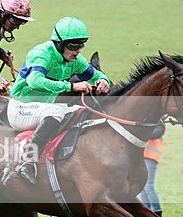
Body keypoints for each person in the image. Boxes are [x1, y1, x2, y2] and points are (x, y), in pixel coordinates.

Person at [6, 16, 112, 183]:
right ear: (59, 43)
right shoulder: (41, 54)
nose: (78, 51)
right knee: (56, 110)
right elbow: (35, 81)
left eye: (81, 45)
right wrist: (71, 87)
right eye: (73, 46)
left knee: (81, 112)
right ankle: (27, 161)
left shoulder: (75, 61)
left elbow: (96, 75)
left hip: (42, 109)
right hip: (20, 109)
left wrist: (105, 81)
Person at [139, 128, 165, 216]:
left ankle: (157, 211)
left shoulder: (159, 122)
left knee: (148, 186)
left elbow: (155, 133)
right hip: (143, 155)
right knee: (143, 186)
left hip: (150, 156)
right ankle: (146, 211)